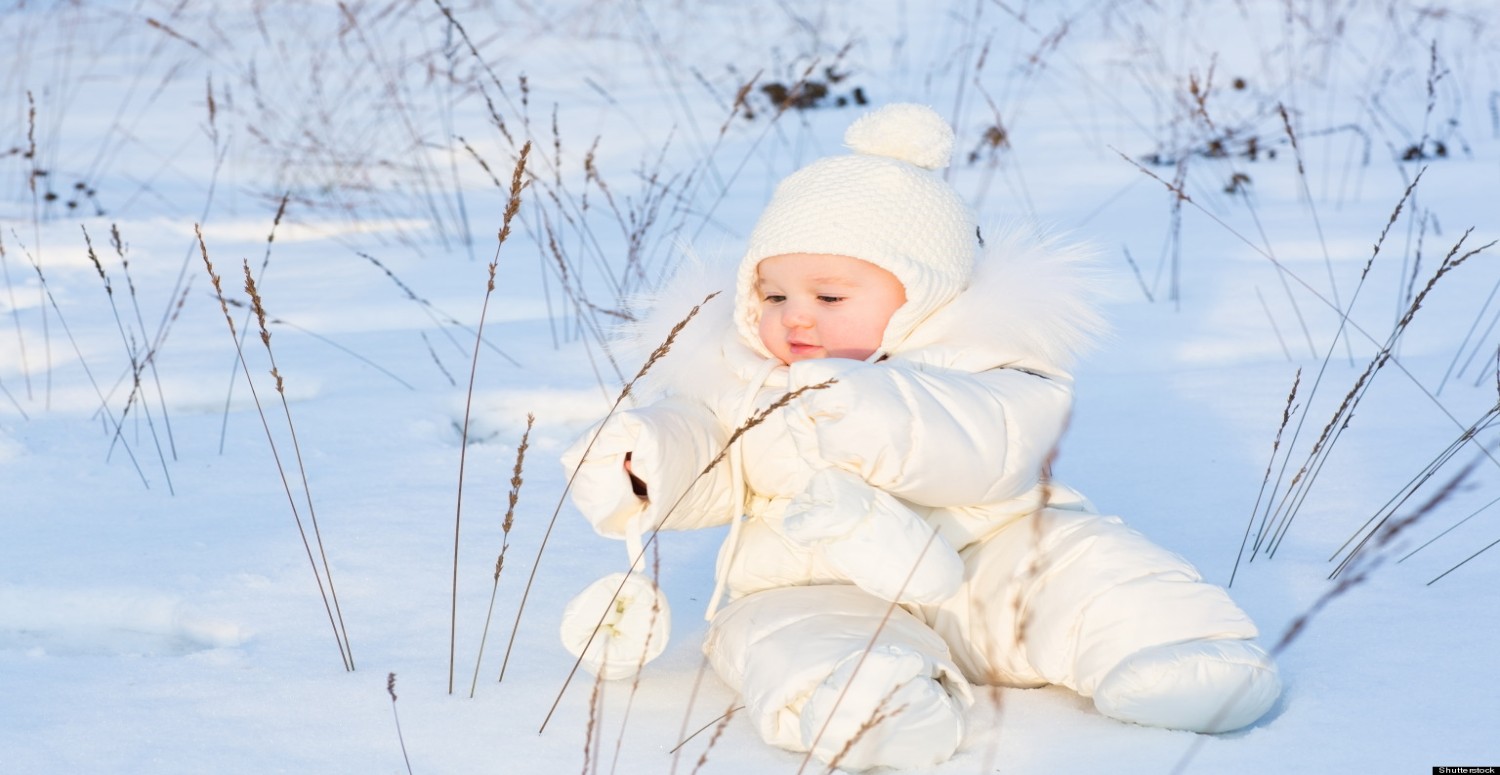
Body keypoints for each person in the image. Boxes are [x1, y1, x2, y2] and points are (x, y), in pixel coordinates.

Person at [558, 103, 1281, 771]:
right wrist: (645, 460)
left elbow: (988, 447)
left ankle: (1180, 655)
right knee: (780, 631)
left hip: (979, 563)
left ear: (924, 292)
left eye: (829, 296)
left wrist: (862, 407)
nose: (794, 318)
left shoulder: (991, 357)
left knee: (1078, 563)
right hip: (813, 577)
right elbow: (711, 448)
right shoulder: (740, 374)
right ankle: (872, 704)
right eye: (773, 295)